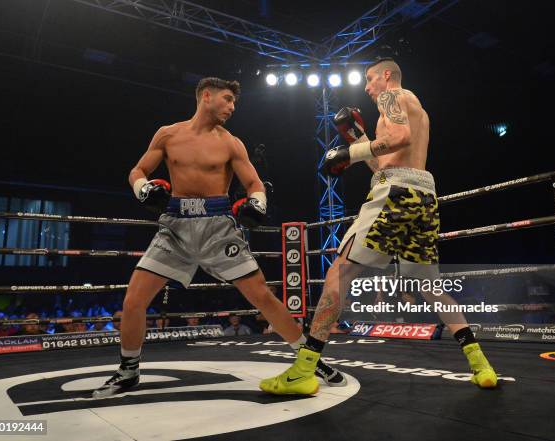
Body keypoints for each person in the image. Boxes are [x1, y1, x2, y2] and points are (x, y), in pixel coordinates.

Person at [93, 77, 344, 399]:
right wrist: (143, 189)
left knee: (263, 297)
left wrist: (258, 203)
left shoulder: (231, 143)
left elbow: (254, 183)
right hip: (175, 228)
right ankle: (128, 371)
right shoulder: (167, 134)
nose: (232, 107)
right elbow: (137, 171)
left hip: (218, 228)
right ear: (206, 96)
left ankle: (311, 361)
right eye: (227, 99)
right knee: (133, 300)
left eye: (234, 102)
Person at [260, 58, 498, 395]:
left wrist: (350, 151)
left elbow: (398, 139)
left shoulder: (393, 95)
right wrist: (360, 140)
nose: (369, 89)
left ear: (387, 75)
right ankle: (481, 365)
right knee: (430, 285)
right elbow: (386, 161)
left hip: (394, 194)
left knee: (337, 274)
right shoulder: (417, 108)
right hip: (423, 197)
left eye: (371, 79)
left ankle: (303, 370)